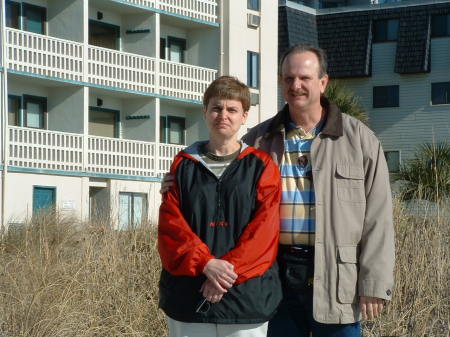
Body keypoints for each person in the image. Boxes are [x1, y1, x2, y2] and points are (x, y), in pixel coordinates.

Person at [242, 45, 395, 337]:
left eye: (304, 78)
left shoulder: (359, 140)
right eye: (288, 79)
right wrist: (179, 181)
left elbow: (379, 217)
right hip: (275, 276)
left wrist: (374, 283)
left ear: (323, 82)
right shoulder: (257, 141)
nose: (295, 86)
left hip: (338, 277)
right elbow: (224, 191)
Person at [158, 76, 282, 337]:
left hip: (245, 301)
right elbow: (172, 225)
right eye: (216, 108)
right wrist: (205, 264)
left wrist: (224, 274)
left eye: (232, 109)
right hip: (189, 299)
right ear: (205, 112)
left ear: (244, 115)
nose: (223, 115)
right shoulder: (182, 165)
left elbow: (264, 232)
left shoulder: (261, 166)